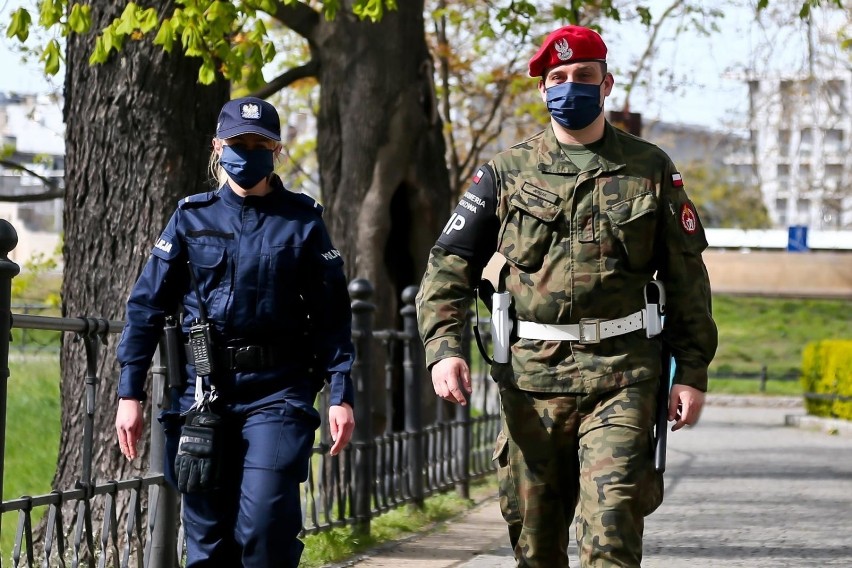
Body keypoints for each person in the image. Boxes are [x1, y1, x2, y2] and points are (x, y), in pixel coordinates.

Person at [416, 25, 718, 568]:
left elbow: (686, 275)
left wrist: (691, 370)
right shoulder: (504, 174)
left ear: (607, 85)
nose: (569, 87)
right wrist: (446, 348)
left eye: (583, 76)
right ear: (542, 89)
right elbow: (449, 261)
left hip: (624, 374)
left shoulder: (650, 168)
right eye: (557, 78)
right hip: (532, 380)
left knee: (612, 533)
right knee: (535, 546)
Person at [114, 96, 356, 567]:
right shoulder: (191, 217)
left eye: (258, 143)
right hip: (203, 395)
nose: (247, 153)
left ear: (276, 151)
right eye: (237, 143)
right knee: (207, 548)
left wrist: (341, 394)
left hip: (278, 393)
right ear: (217, 147)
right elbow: (145, 307)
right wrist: (130, 394)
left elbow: (333, 316)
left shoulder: (303, 221)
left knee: (265, 528)